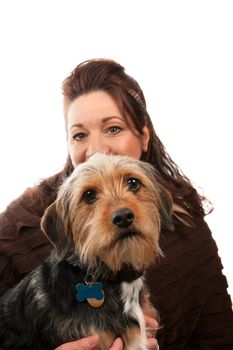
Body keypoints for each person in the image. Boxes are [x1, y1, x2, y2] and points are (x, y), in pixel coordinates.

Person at [0, 59, 232, 350]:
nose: (96, 149)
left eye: (113, 128)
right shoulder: (21, 224)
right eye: (80, 135)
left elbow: (217, 335)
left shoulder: (187, 222)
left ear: (144, 136)